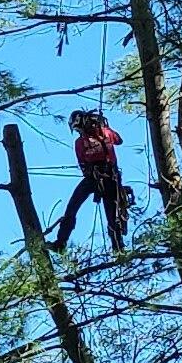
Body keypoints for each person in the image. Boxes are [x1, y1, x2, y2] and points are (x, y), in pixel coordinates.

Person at [51, 106, 132, 254]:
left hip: (100, 178)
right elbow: (119, 140)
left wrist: (104, 130)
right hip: (106, 178)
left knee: (74, 207)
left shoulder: (83, 141)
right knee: (109, 214)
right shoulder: (103, 133)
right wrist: (106, 129)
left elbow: (83, 164)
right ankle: (118, 248)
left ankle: (61, 243)